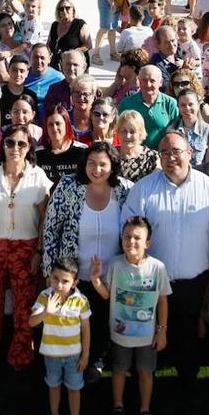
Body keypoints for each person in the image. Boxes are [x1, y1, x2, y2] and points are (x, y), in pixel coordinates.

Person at [124, 130, 209, 390]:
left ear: (190, 154)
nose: (171, 158)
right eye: (165, 153)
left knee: (188, 334)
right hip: (150, 282)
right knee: (147, 337)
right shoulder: (144, 189)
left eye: (176, 151)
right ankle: (144, 390)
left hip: (194, 280)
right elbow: (129, 231)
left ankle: (187, 388)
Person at [41, 142, 131, 383]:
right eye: (91, 163)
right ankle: (70, 362)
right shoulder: (68, 187)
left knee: (103, 319)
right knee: (76, 321)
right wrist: (50, 271)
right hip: (74, 274)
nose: (97, 169)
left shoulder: (124, 190)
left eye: (103, 164)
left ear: (112, 166)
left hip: (110, 274)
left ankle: (98, 361)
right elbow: (51, 230)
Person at [0, 124, 52, 369]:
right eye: (10, 142)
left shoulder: (38, 176)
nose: (15, 148)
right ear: (2, 145)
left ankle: (20, 353)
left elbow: (44, 218)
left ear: (29, 147)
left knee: (23, 304)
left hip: (25, 248)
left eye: (21, 143)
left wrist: (38, 251)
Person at [88, 215, 170, 415]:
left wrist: (162, 330)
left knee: (145, 372)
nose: (131, 241)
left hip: (147, 336)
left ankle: (145, 409)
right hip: (120, 335)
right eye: (126, 236)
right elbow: (106, 294)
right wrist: (95, 279)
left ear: (147, 243)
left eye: (136, 237)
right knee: (118, 370)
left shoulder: (157, 268)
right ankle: (118, 406)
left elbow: (162, 301)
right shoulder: (115, 264)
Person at [29, 258, 91, 415]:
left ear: (74, 283)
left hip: (74, 356)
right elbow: (31, 322)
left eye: (65, 281)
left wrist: (85, 355)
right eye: (55, 278)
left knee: (74, 389)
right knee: (53, 386)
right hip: (51, 355)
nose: (59, 285)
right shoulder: (44, 296)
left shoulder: (81, 300)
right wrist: (46, 312)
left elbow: (86, 330)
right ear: (49, 277)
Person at [118, 66, 180, 149]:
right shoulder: (126, 104)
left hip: (162, 156)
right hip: (134, 155)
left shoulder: (170, 103)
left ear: (161, 82)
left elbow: (176, 131)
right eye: (144, 80)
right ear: (139, 81)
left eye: (152, 81)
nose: (148, 84)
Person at [36, 106, 86, 185]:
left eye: (58, 123)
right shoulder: (38, 154)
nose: (54, 128)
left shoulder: (82, 151)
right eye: (50, 125)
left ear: (66, 125)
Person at [48, 0, 92, 72]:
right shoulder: (54, 25)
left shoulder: (79, 24)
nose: (64, 11)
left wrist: (71, 53)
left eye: (67, 8)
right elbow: (48, 44)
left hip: (74, 66)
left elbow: (88, 45)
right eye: (61, 9)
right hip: (55, 67)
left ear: (73, 10)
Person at [116, 110, 158, 182]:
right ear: (118, 132)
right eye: (124, 131)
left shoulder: (152, 158)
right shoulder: (110, 155)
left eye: (132, 132)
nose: (128, 136)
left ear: (140, 133)